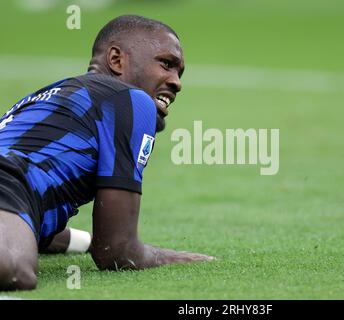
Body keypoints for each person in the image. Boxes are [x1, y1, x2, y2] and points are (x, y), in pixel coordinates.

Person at [0, 15, 215, 291]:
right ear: (116, 60)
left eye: (179, 73)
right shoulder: (130, 100)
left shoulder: (46, 97)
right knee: (14, 268)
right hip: (8, 180)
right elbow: (116, 250)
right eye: (167, 64)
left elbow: (26, 220)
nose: (176, 83)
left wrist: (83, 242)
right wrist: (175, 257)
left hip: (11, 187)